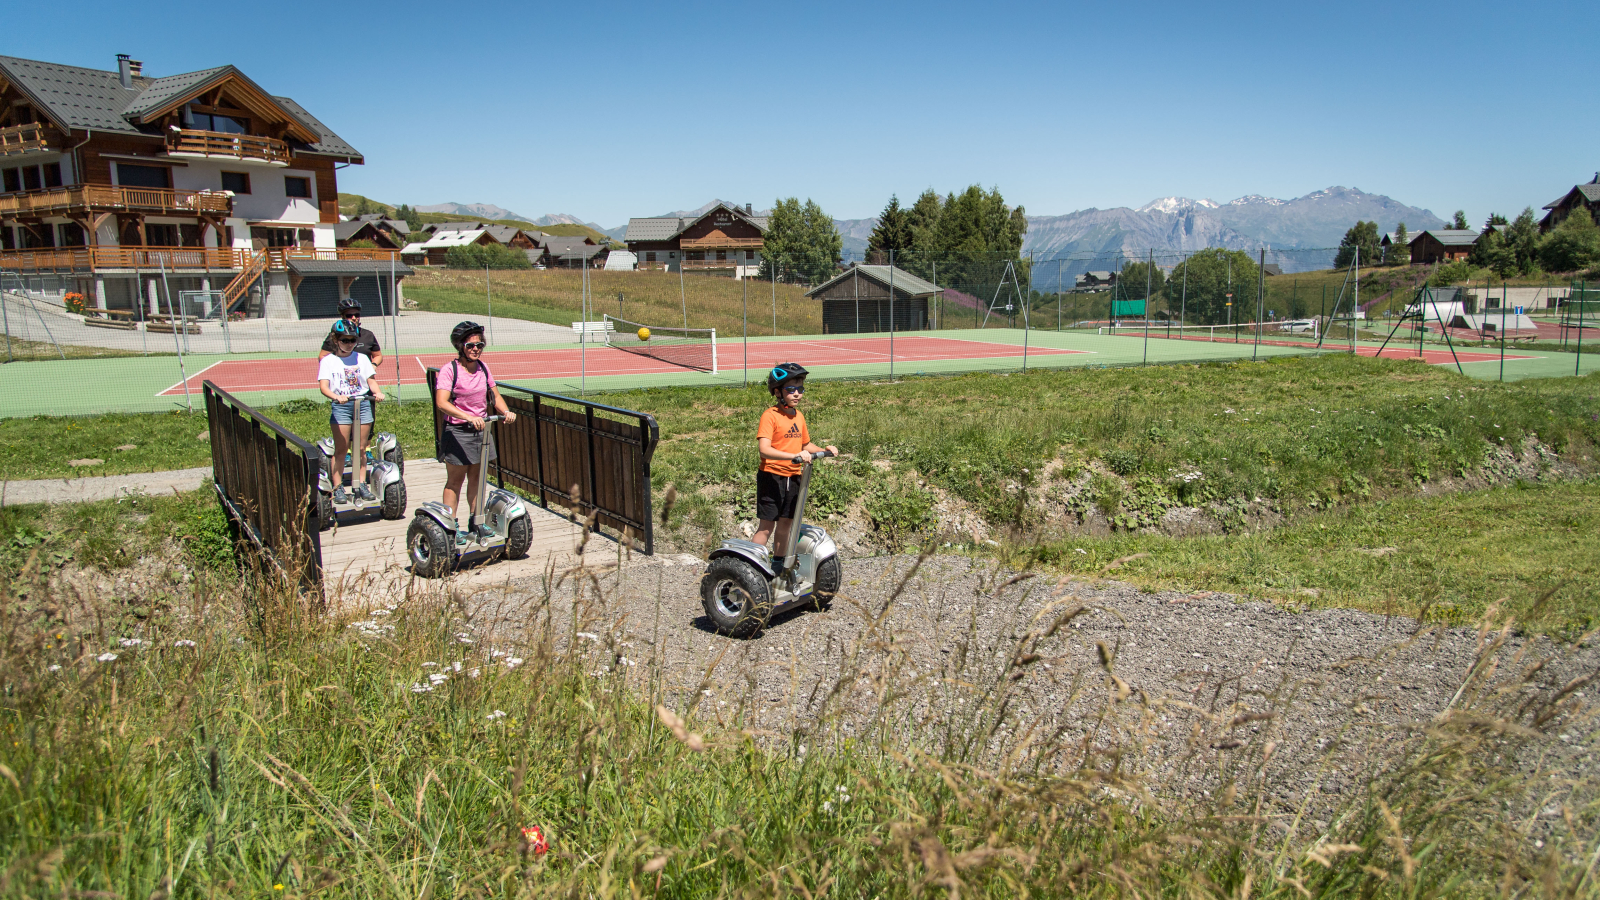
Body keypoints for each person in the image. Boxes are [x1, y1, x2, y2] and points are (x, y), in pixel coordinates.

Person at [434, 321, 516, 544]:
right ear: (460, 346)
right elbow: (441, 402)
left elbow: (495, 395)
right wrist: (468, 416)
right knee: (455, 480)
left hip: (482, 429)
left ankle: (476, 522)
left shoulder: (483, 367)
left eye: (480, 344)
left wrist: (506, 411)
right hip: (458, 431)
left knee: (478, 479)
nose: (476, 349)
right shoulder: (449, 370)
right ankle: (450, 527)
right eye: (471, 345)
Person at [752, 362, 836, 554]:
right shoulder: (770, 416)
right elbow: (764, 450)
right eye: (791, 389)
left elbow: (805, 445)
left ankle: (779, 566)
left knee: (785, 526)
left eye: (800, 389)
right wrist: (794, 456)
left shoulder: (799, 416)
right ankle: (751, 565)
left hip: (794, 477)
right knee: (766, 527)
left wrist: (825, 449)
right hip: (771, 477)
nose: (797, 394)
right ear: (777, 392)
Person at [317, 320, 386, 505]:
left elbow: (370, 381)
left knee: (361, 449)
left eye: (352, 340)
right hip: (341, 406)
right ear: (336, 340)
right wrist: (335, 396)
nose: (349, 344)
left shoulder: (362, 359)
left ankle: (361, 484)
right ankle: (338, 486)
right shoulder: (329, 361)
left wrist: (377, 392)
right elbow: (323, 386)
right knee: (341, 449)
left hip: (362, 403)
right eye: (344, 340)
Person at [318, 297, 384, 366]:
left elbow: (377, 355)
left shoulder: (368, 335)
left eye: (357, 315)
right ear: (342, 317)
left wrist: (373, 365)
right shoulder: (335, 335)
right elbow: (322, 356)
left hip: (363, 375)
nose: (354, 318)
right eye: (349, 315)